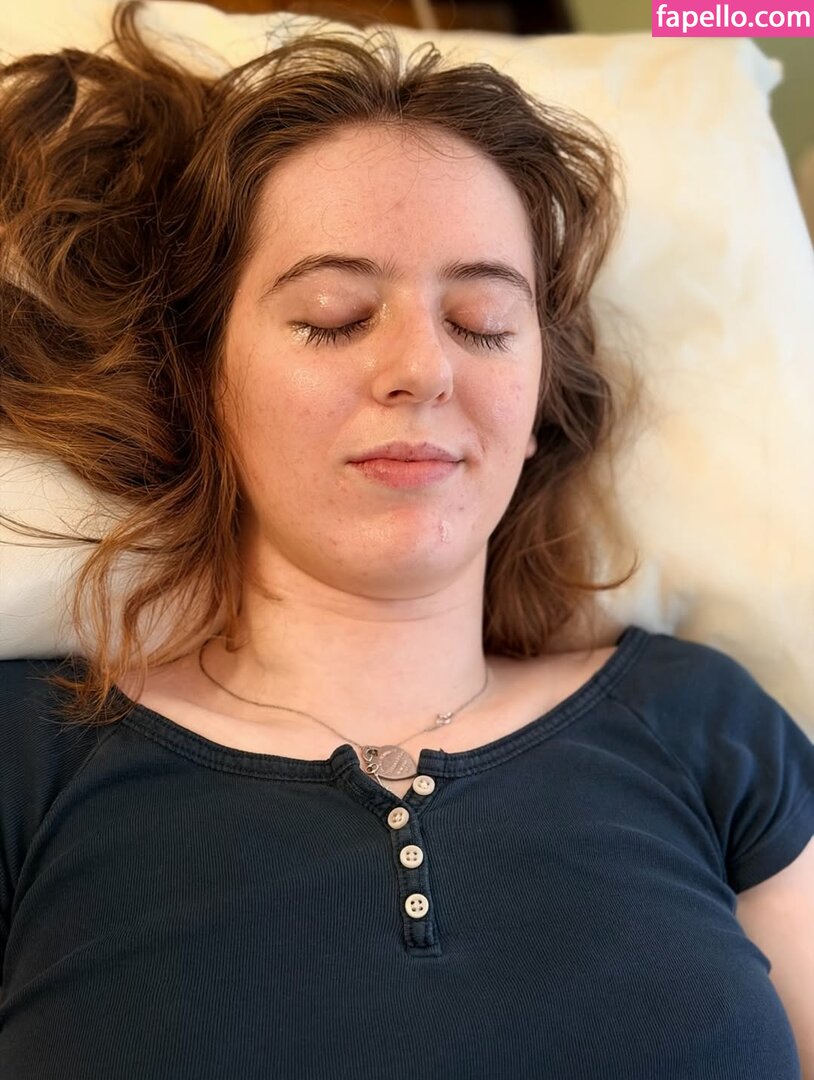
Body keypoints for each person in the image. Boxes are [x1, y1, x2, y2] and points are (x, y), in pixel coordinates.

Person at [0, 2, 811, 1078]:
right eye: (334, 315)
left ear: (537, 401)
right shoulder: (32, 757)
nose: (423, 369)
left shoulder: (707, 730)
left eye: (482, 323)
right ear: (203, 381)